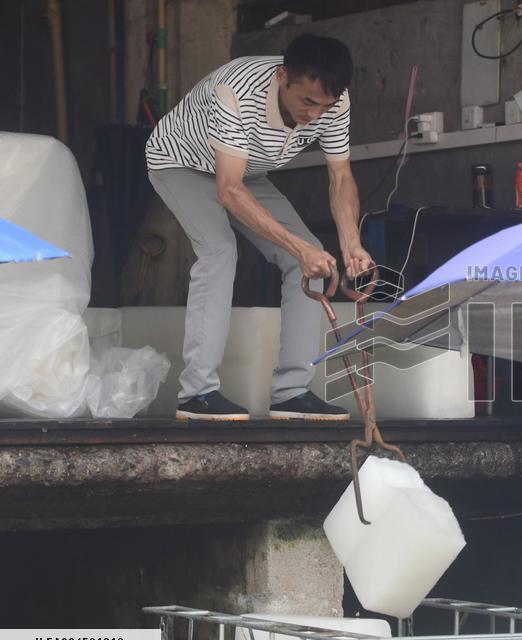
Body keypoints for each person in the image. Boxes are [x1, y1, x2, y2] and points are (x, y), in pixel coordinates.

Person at [145, 34, 373, 421]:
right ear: (283, 75)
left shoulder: (336, 102)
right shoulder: (234, 91)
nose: (315, 115)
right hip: (180, 163)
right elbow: (229, 190)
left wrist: (351, 242)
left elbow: (340, 177)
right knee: (219, 252)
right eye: (307, 102)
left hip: (245, 171)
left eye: (325, 106)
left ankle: (291, 392)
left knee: (316, 254)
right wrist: (298, 250)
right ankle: (197, 393)